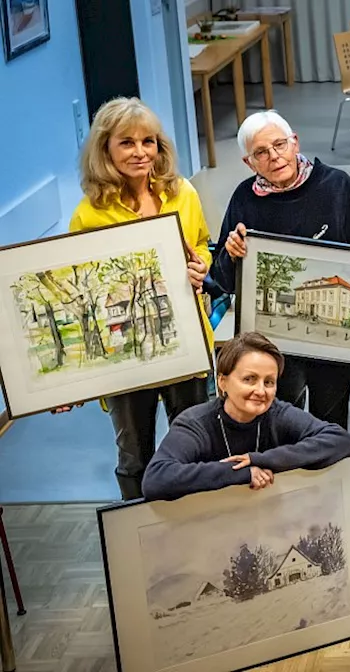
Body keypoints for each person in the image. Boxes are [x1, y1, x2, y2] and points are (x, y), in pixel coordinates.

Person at [65, 97, 214, 501]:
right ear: (105, 150)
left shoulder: (182, 193)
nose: (140, 152)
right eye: (126, 143)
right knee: (134, 452)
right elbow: (80, 295)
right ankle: (139, 530)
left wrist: (202, 265)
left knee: (195, 443)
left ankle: (198, 525)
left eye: (148, 141)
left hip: (185, 339)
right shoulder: (88, 214)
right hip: (124, 352)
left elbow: (201, 244)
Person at [208, 111, 350, 429]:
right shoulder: (244, 200)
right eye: (261, 152)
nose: (274, 157)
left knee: (330, 426)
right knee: (279, 425)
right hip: (272, 343)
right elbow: (222, 281)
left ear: (295, 143)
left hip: (333, 343)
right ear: (249, 163)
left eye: (280, 144)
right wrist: (231, 256)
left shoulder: (336, 186)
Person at [142, 332, 350, 501]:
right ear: (222, 382)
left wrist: (262, 460)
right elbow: (157, 479)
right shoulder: (195, 423)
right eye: (249, 379)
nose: (261, 391)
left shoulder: (278, 413)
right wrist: (241, 473)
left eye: (269, 382)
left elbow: (340, 441)